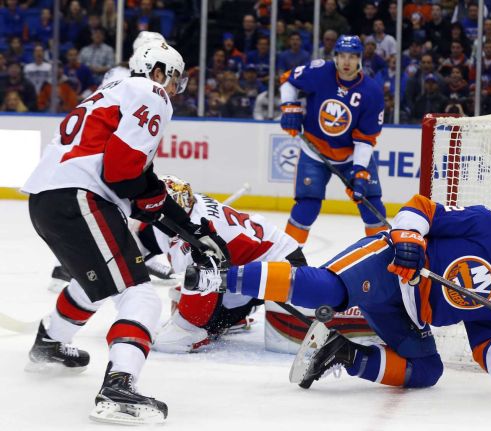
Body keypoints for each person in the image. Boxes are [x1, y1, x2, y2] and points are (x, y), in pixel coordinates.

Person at [20, 41, 228, 425]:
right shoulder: (151, 92)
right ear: (160, 71)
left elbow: (130, 184)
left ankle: (50, 341)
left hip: (47, 200)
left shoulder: (111, 91)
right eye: (175, 79)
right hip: (80, 197)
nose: (174, 89)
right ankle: (118, 385)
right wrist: (181, 221)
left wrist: (180, 223)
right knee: (141, 297)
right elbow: (124, 173)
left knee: (98, 281)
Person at [185, 194, 491, 389]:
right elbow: (421, 208)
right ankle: (221, 276)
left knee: (427, 371)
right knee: (329, 290)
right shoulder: (487, 227)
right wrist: (410, 239)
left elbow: (488, 356)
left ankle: (344, 353)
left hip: (408, 313)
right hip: (390, 265)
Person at [149, 176, 306, 353]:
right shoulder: (191, 205)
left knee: (197, 284)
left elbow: (207, 279)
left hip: (283, 267)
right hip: (256, 259)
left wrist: (188, 328)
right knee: (183, 292)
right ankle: (235, 313)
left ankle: (229, 316)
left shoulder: (198, 237)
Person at [279, 35, 386, 247]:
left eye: (353, 57)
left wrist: (359, 171)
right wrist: (289, 107)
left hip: (350, 154)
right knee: (307, 206)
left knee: (372, 205)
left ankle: (382, 254)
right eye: (342, 56)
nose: (347, 62)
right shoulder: (320, 71)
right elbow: (288, 80)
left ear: (360, 59)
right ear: (335, 57)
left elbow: (365, 139)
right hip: (314, 151)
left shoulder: (371, 92)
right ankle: (287, 256)